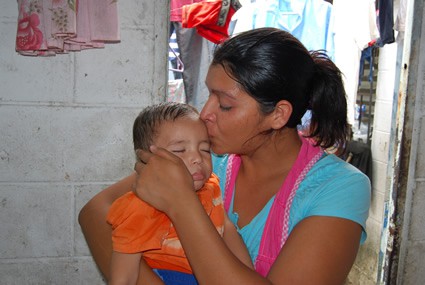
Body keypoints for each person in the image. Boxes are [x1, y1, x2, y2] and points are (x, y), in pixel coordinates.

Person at [79, 27, 371, 284]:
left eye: (226, 105)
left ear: (278, 115)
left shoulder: (339, 187)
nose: (205, 114)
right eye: (209, 95)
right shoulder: (206, 160)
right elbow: (96, 212)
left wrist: (182, 203)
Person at [106, 102, 252, 285]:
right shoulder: (140, 207)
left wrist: (247, 271)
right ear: (149, 160)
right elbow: (123, 277)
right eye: (179, 150)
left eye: (205, 149)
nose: (197, 158)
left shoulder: (211, 187)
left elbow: (226, 229)